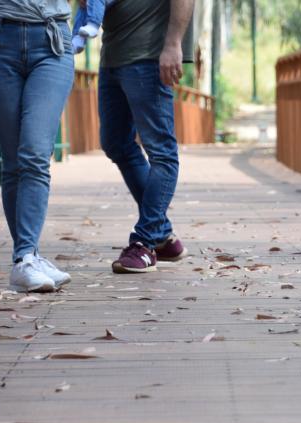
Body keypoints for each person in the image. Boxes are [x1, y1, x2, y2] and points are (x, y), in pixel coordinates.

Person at [0, 0, 74, 292]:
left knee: (35, 153)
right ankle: (28, 258)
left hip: (52, 42)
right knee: (14, 160)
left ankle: (26, 257)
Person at [98, 0, 194, 273]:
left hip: (149, 55)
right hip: (113, 55)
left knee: (161, 151)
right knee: (115, 143)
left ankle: (144, 241)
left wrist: (173, 44)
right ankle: (161, 233)